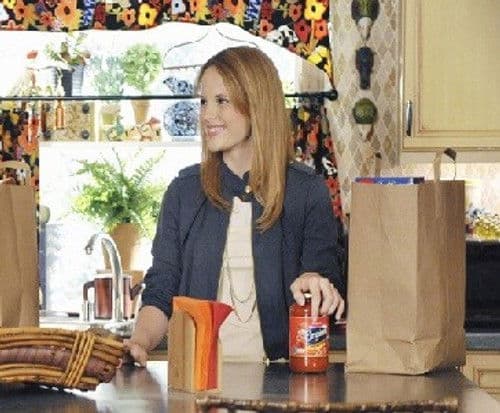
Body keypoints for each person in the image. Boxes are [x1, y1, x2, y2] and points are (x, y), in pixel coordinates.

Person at [125, 46, 345, 366]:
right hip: (198, 379)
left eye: (221, 101)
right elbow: (160, 290)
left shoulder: (307, 191)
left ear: (256, 105)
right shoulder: (182, 193)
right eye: (203, 102)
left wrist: (315, 283)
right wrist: (139, 343)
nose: (207, 115)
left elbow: (322, 273)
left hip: (282, 381)